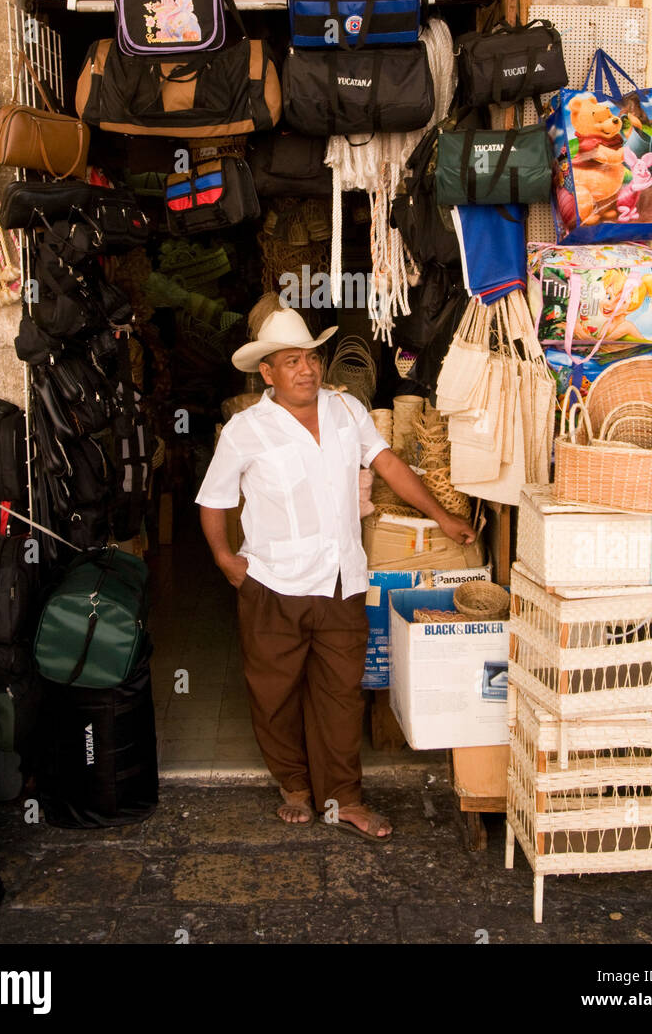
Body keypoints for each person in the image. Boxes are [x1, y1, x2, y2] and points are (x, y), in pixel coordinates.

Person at [196, 306, 476, 842]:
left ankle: (345, 798)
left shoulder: (347, 411)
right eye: (292, 361)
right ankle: (294, 787)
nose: (307, 369)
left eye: (312, 358)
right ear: (268, 373)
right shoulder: (245, 429)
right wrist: (224, 560)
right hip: (274, 583)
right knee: (275, 693)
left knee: (341, 694)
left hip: (343, 581)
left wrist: (441, 514)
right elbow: (213, 500)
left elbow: (389, 463)